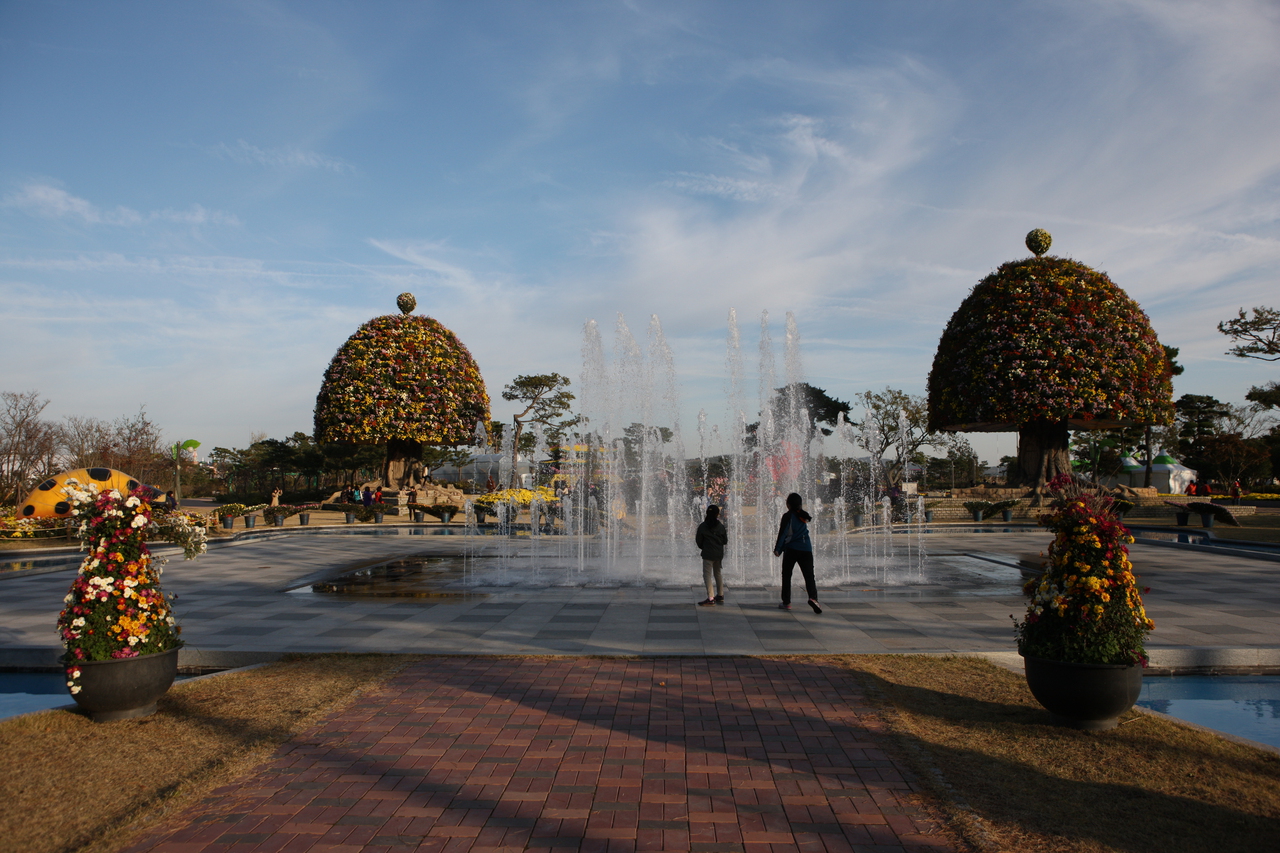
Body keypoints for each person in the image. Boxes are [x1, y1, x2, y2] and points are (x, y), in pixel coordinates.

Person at [774, 492, 821, 613]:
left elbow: (783, 533)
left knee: (787, 575)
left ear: (788, 504)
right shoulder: (803, 515)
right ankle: (813, 598)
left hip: (792, 549)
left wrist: (778, 549)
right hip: (806, 549)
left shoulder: (788, 516)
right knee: (809, 575)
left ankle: (786, 602)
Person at [695, 505, 728, 607]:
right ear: (717, 514)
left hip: (708, 554)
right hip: (718, 554)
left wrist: (704, 547)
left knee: (707, 575)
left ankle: (710, 598)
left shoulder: (703, 526)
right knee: (717, 573)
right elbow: (725, 541)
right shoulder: (720, 526)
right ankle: (720, 594)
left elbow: (698, 541)